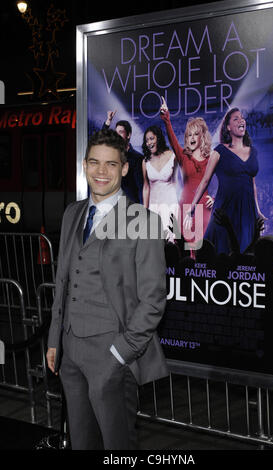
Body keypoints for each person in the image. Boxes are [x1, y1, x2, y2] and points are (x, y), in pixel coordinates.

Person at [46, 129, 168, 450]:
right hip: (70, 352)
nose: (101, 172)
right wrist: (54, 340)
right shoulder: (73, 213)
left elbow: (153, 300)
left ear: (124, 168)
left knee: (118, 447)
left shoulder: (142, 220)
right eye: (94, 163)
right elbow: (63, 280)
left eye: (111, 165)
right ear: (84, 165)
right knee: (81, 442)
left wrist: (120, 353)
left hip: (111, 354)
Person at [184, 107, 266, 254]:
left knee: (245, 255)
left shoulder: (253, 151)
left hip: (248, 212)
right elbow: (205, 181)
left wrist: (257, 210)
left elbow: (252, 183)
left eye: (242, 117)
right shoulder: (219, 151)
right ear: (228, 127)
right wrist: (192, 207)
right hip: (225, 210)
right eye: (236, 118)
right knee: (221, 252)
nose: (241, 120)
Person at [160, 97, 214, 246]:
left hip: (204, 209)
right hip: (185, 207)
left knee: (202, 249)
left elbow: (224, 181)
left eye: (195, 134)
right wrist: (166, 118)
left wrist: (214, 198)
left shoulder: (211, 158)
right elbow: (172, 139)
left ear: (202, 136)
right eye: (189, 134)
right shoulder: (183, 156)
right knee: (183, 249)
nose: (191, 137)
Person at [141, 124, 179, 241]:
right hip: (154, 207)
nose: (149, 143)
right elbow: (146, 187)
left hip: (171, 205)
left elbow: (177, 182)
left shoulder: (173, 156)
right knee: (154, 243)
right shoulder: (145, 161)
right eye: (147, 140)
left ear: (159, 138)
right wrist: (145, 209)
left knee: (172, 242)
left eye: (151, 138)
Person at [103, 110, 144, 203]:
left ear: (128, 135)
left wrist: (141, 210)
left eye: (121, 132)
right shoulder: (112, 155)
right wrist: (108, 121)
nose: (117, 135)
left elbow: (141, 187)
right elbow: (101, 140)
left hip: (131, 207)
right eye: (116, 132)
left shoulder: (138, 158)